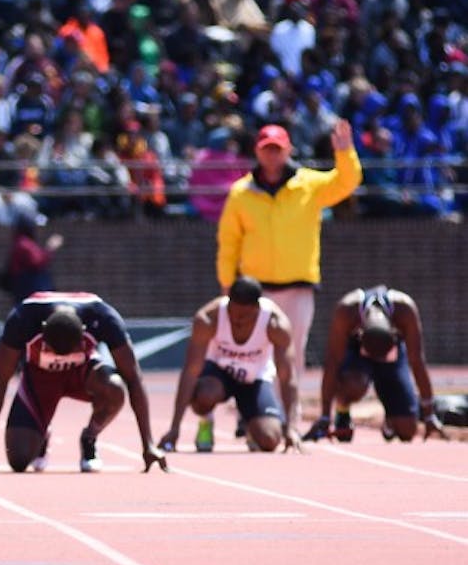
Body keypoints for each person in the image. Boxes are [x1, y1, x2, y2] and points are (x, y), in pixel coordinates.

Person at [216, 120, 360, 386]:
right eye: (267, 149)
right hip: (256, 289)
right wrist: (227, 283)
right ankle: (253, 413)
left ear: (288, 150)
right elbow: (229, 241)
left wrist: (345, 152)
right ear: (257, 151)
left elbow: (346, 182)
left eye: (277, 149)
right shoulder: (241, 193)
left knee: (293, 351)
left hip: (298, 287)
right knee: (253, 350)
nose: (272, 155)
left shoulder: (308, 184)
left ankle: (289, 416)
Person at [0, 292, 166, 474]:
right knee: (18, 460)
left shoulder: (104, 318)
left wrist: (148, 445)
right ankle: (42, 433)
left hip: (82, 375)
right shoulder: (22, 319)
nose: (61, 360)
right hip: (39, 380)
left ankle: (89, 438)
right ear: (43, 331)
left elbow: (133, 377)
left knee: (115, 387)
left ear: (84, 334)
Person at [158, 276, 301, 454]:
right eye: (234, 314)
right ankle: (206, 420)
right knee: (204, 395)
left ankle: (251, 425)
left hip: (254, 380)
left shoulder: (276, 324)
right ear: (228, 303)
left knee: (270, 439)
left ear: (257, 308)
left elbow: (287, 376)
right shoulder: (208, 319)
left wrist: (291, 428)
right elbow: (190, 371)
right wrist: (175, 428)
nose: (238, 320)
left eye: (245, 316)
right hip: (218, 376)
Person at [304, 286, 447, 443]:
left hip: (392, 358)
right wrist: (325, 416)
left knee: (407, 430)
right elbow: (332, 363)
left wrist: (429, 415)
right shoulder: (346, 312)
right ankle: (343, 409)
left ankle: (391, 416)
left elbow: (417, 362)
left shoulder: (405, 311)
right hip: (356, 356)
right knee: (354, 384)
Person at [0, 212, 63, 302]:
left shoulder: (27, 242)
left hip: (28, 289)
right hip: (28, 289)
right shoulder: (24, 243)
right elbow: (37, 262)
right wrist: (50, 248)